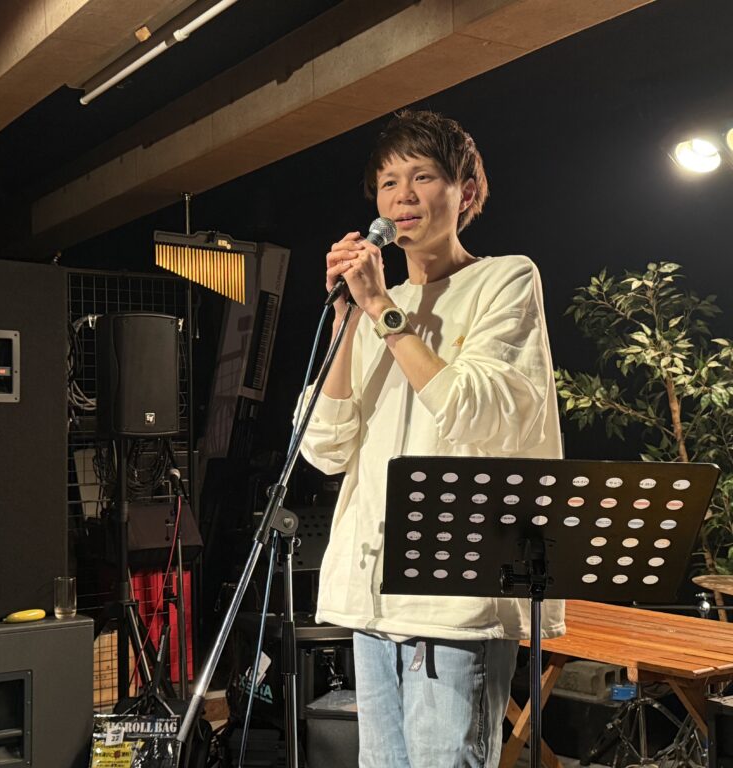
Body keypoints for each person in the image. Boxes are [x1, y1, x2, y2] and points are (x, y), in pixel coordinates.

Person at [298, 109, 565, 767]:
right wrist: (347, 316)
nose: (403, 198)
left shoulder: (504, 279)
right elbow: (324, 447)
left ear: (465, 192)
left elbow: (476, 412)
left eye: (422, 177)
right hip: (374, 596)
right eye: (389, 183)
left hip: (456, 597)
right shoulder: (371, 306)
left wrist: (382, 312)